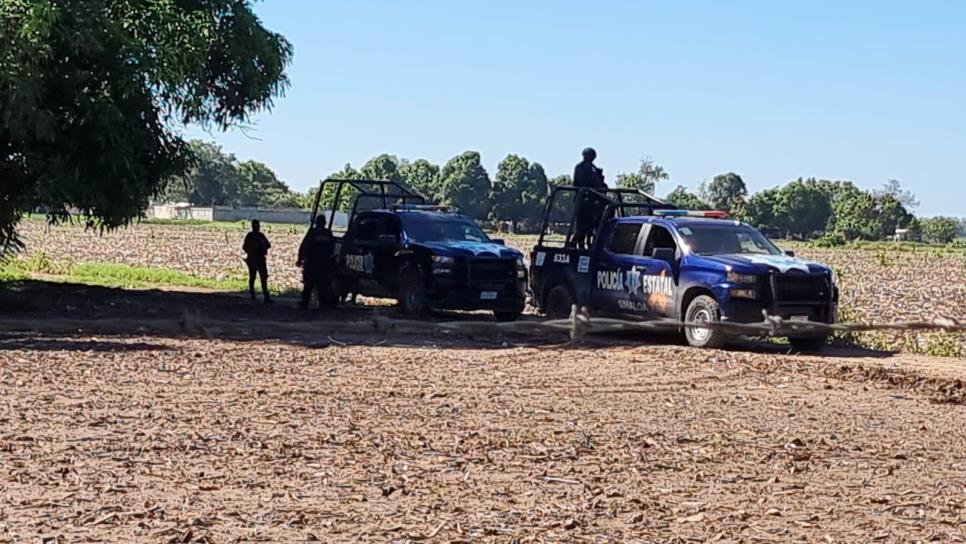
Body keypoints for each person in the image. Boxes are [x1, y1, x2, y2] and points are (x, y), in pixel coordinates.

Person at [297, 215, 335, 309]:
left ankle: (305, 302)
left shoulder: (312, 232)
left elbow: (304, 246)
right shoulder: (328, 233)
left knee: (309, 283)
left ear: (316, 222)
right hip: (324, 262)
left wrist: (300, 259)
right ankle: (323, 303)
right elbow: (332, 247)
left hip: (312, 262)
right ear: (324, 223)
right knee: (322, 284)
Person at [571, 147, 606, 249]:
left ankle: (588, 243)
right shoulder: (580, 167)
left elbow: (598, 183)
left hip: (594, 201)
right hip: (584, 201)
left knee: (592, 225)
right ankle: (575, 243)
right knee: (583, 225)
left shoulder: (593, 168)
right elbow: (578, 182)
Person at [242, 220, 272, 303]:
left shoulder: (261, 236)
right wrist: (252, 250)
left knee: (263, 277)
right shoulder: (250, 236)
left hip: (260, 259)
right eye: (255, 226)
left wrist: (261, 247)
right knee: (253, 277)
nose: (257, 227)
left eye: (257, 225)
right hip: (253, 259)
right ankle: (252, 294)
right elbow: (244, 247)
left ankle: (265, 296)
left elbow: (268, 245)